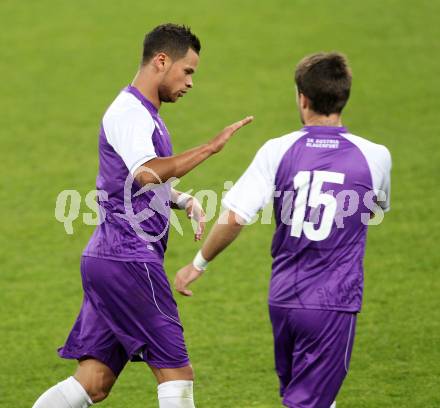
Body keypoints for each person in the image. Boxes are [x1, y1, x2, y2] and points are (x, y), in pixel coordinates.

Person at [32, 23, 252, 408]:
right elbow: (147, 171)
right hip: (129, 257)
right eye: (188, 71)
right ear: (162, 61)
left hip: (109, 257)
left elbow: (132, 183)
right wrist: (210, 148)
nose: (190, 82)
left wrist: (181, 200)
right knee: (176, 374)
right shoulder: (131, 113)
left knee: (93, 382)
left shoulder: (143, 112)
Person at [175, 52, 392, 408]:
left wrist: (197, 264)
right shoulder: (375, 156)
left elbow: (234, 216)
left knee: (310, 395)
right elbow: (376, 205)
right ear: (344, 96)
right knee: (309, 401)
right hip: (333, 303)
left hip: (283, 300)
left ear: (302, 98)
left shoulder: (277, 150)